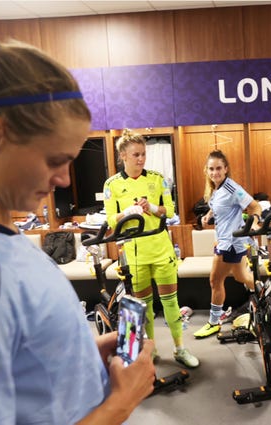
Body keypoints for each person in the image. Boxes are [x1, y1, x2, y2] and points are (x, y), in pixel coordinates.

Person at [0, 28, 156, 424]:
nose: (64, 178)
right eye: (53, 160)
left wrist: (78, 353)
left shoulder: (2, 238)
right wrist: (120, 403)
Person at [103, 130, 199, 368]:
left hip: (160, 249)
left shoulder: (158, 179)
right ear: (123, 156)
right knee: (144, 307)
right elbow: (111, 220)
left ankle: (180, 348)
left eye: (144, 154)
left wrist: (153, 208)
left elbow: (171, 211)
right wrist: (128, 212)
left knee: (171, 303)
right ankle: (151, 350)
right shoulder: (112, 184)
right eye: (136, 154)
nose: (141, 158)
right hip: (135, 253)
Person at [193, 150, 262, 338]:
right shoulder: (217, 189)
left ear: (226, 169)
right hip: (225, 241)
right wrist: (209, 215)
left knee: (215, 281)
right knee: (242, 277)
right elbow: (220, 208)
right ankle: (265, 297)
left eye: (218, 168)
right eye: (211, 169)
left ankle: (214, 322)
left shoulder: (232, 188)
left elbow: (255, 206)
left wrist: (254, 223)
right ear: (206, 170)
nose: (215, 172)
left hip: (230, 243)